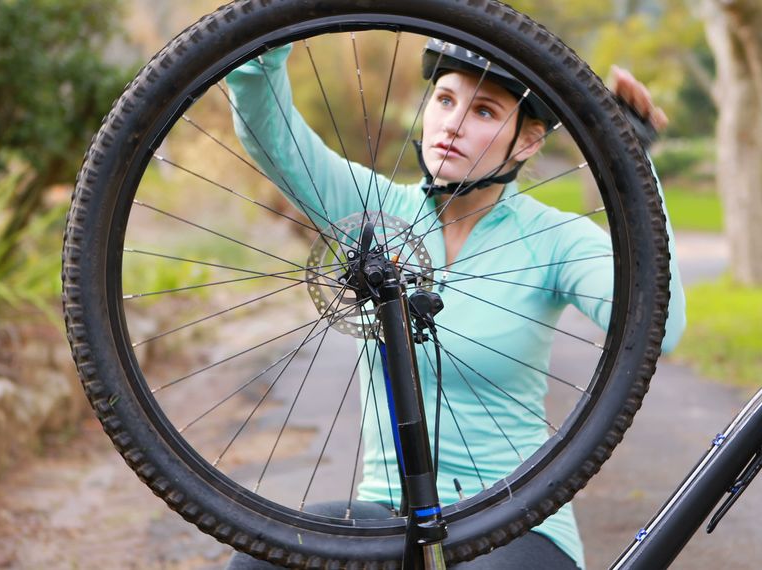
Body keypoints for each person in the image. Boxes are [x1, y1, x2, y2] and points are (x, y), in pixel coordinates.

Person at [223, 39, 685, 570]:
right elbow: (273, 140)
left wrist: (632, 167)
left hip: (519, 519)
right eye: (444, 100)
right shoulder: (376, 209)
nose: (454, 123)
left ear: (528, 142)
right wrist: (268, 35)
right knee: (261, 561)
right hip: (390, 510)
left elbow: (661, 326)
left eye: (484, 110)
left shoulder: (557, 238)